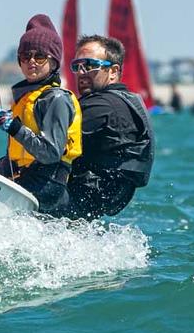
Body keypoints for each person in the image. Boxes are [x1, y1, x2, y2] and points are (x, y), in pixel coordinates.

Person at [0, 14, 82, 214]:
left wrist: (15, 128)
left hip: (48, 183)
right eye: (25, 56)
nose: (32, 62)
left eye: (40, 56)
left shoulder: (56, 99)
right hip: (25, 177)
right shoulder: (26, 98)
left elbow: (50, 154)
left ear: (54, 62)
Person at [60, 35, 154, 220]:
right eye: (77, 66)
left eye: (89, 65)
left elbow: (50, 144)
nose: (81, 72)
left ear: (113, 71)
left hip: (79, 198)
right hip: (95, 203)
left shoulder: (102, 106)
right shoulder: (123, 101)